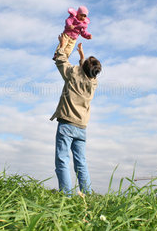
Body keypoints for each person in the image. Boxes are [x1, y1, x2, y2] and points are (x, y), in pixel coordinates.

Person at [50, 34, 102, 195]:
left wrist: (62, 45)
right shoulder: (93, 82)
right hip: (81, 128)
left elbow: (61, 61)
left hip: (67, 124)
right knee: (81, 163)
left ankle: (67, 196)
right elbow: (85, 73)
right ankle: (87, 194)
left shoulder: (73, 74)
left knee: (62, 160)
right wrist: (82, 57)